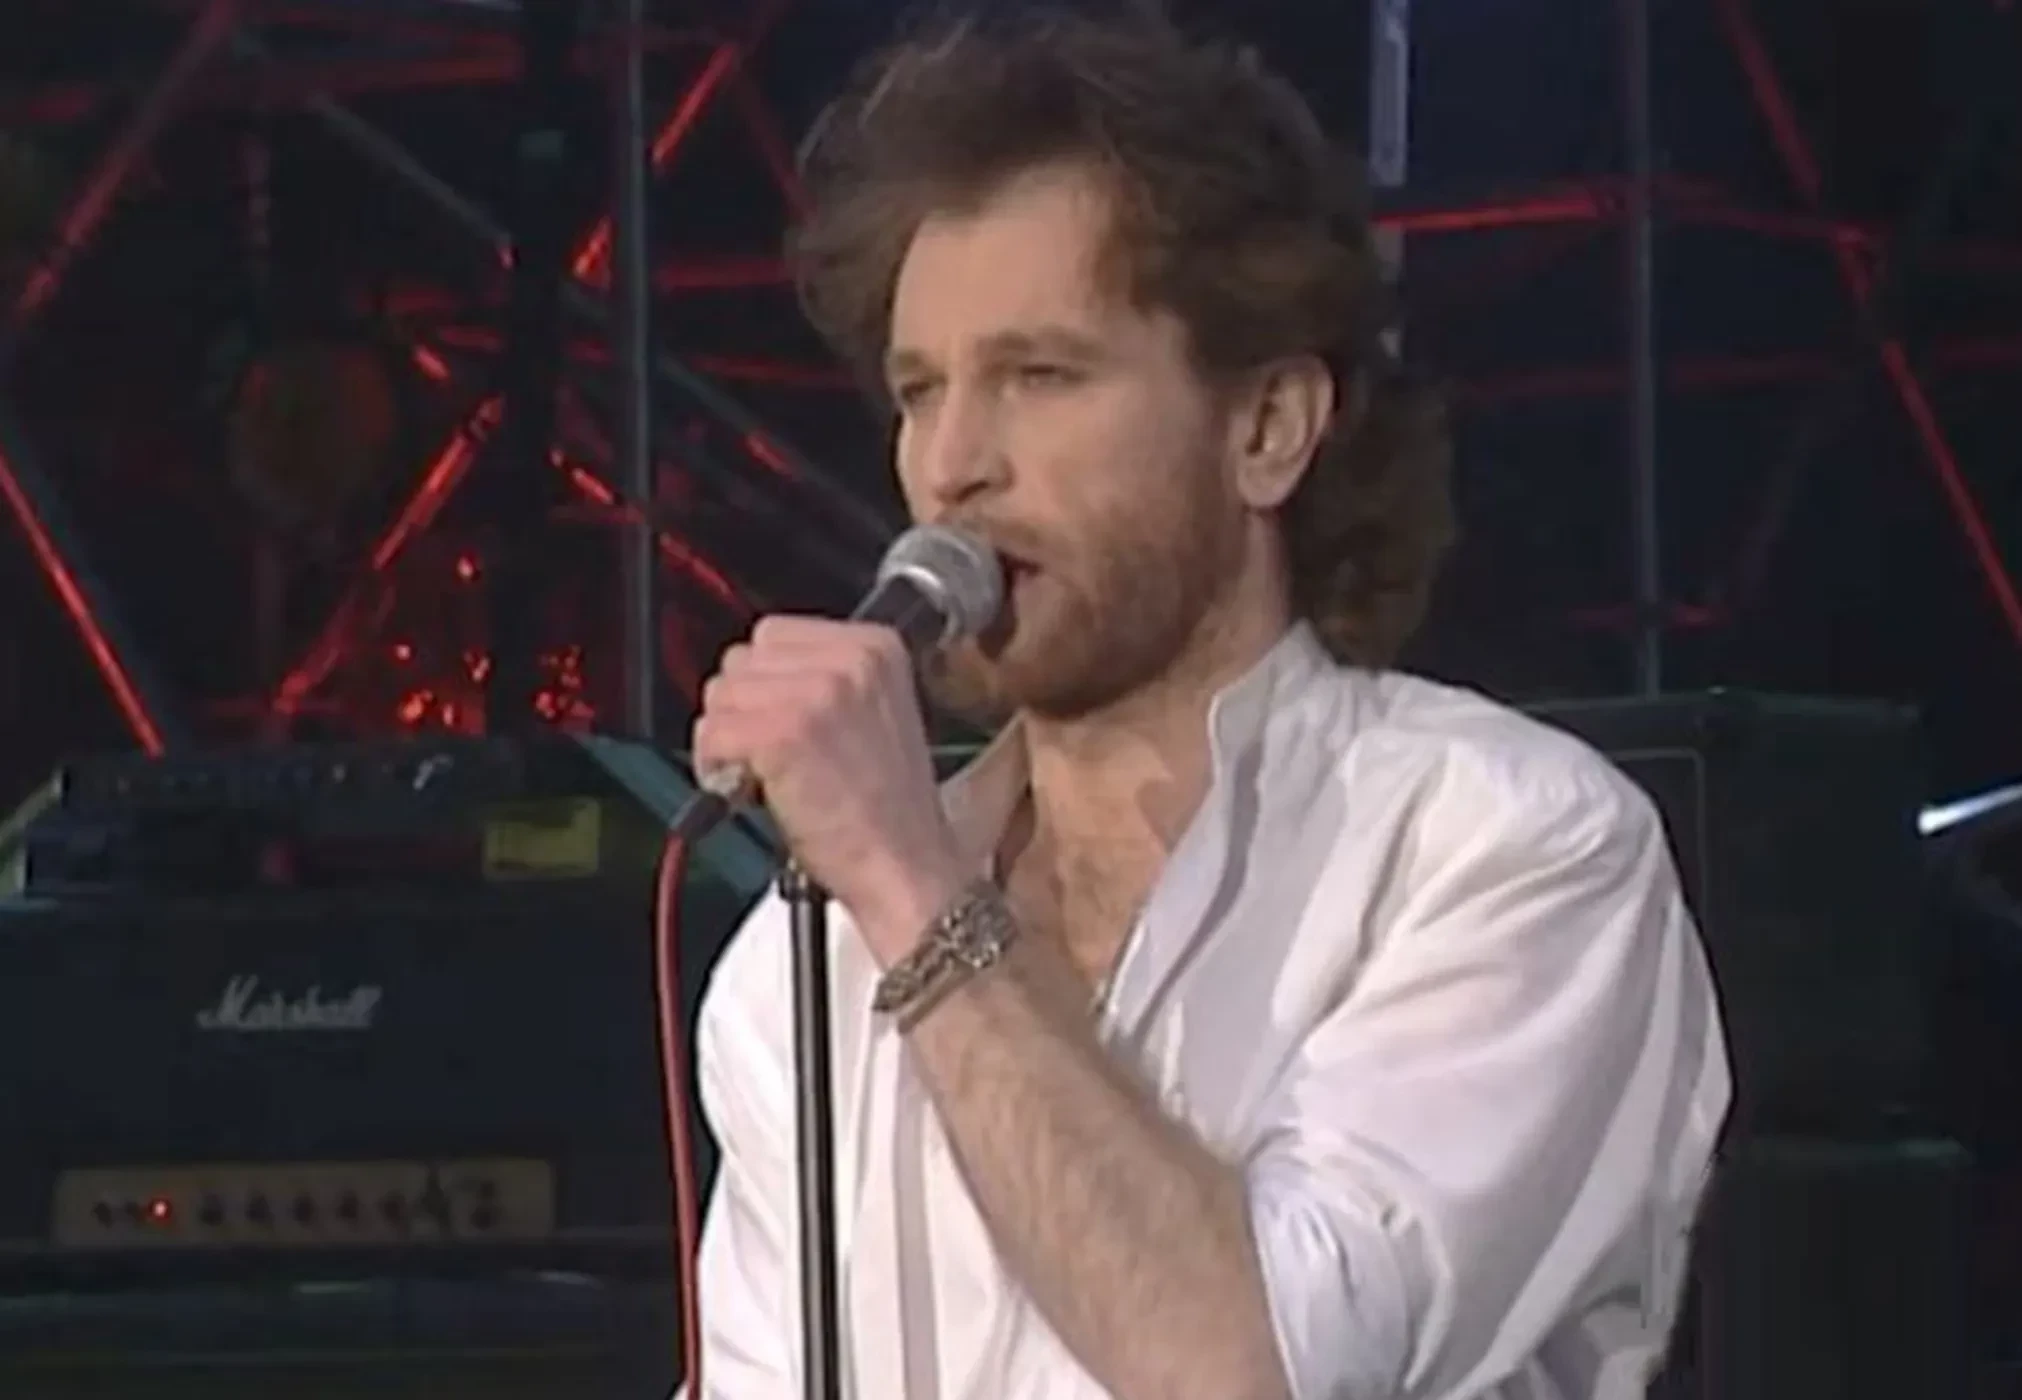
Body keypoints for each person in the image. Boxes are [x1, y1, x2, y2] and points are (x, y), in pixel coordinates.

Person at [684, 9, 1731, 1399]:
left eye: (1038, 376)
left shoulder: (1502, 849)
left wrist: (916, 897)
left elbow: (1258, 1375)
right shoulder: (805, 954)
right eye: (919, 390)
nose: (951, 465)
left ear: (1266, 428)